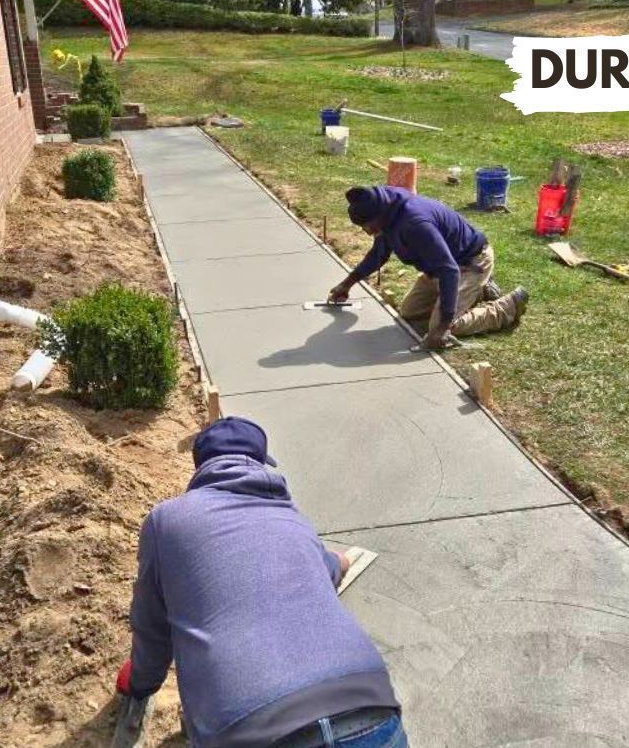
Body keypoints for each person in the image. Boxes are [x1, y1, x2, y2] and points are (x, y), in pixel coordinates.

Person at [113, 417, 406, 748]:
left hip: (248, 728)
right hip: (369, 707)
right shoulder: (294, 518)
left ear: (200, 466)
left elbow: (152, 628)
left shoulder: (166, 520)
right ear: (259, 461)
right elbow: (328, 566)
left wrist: (140, 684)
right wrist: (342, 560)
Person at [329, 185, 528, 349]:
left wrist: (442, 327)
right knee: (409, 312)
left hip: (469, 263)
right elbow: (378, 255)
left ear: (379, 214)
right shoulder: (386, 212)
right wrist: (347, 284)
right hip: (439, 268)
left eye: (368, 225)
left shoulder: (414, 222)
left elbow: (449, 270)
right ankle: (478, 290)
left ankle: (508, 307)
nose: (367, 231)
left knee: (442, 327)